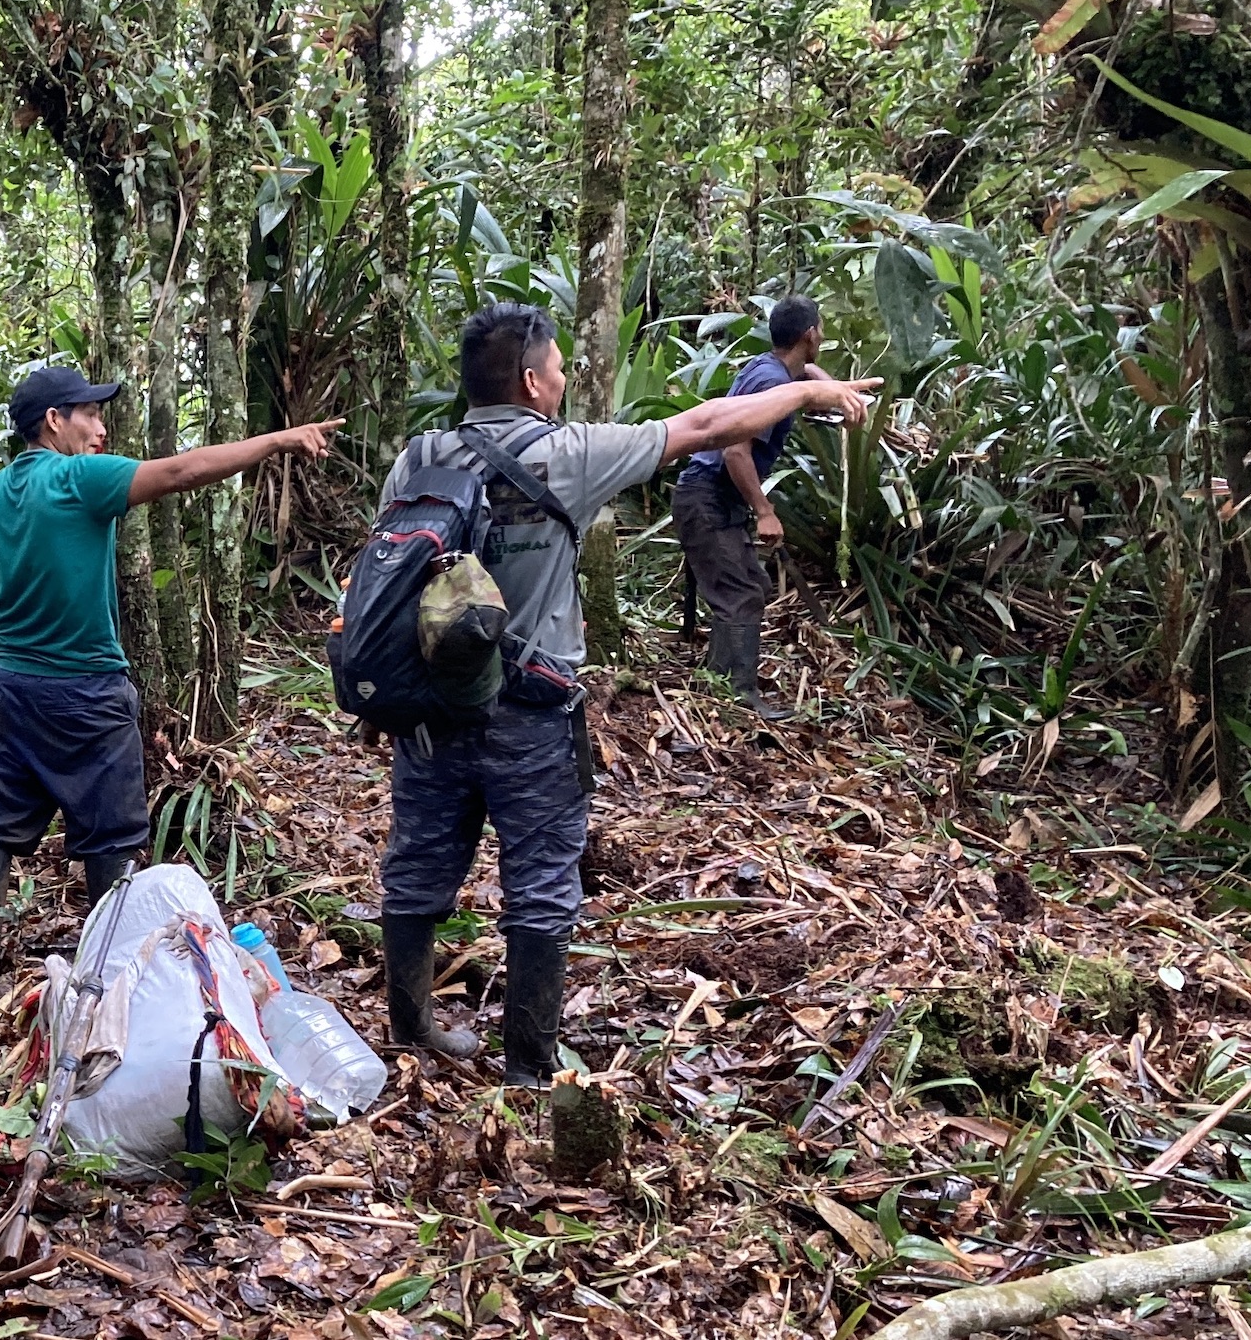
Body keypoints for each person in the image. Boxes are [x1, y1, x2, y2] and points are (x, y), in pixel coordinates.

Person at [374, 302, 877, 1085]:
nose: (567, 379)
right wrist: (809, 395)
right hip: (530, 713)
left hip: (428, 709)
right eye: (561, 367)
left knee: (416, 867)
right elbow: (709, 425)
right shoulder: (567, 454)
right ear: (534, 381)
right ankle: (529, 1072)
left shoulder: (417, 460)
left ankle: (411, 1035)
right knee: (540, 884)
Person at [0, 366, 341, 980]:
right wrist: (276, 440)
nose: (101, 428)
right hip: (87, 690)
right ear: (54, 421)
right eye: (90, 414)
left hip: (13, 687)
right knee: (111, 832)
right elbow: (184, 470)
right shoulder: (80, 479)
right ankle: (109, 970)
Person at [675, 294, 834, 720]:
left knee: (749, 589)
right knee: (741, 593)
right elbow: (736, 452)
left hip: (708, 497)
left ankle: (720, 685)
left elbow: (808, 379)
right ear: (810, 335)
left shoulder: (770, 367)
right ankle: (734, 696)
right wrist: (765, 510)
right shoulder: (773, 383)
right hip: (707, 495)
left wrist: (835, 391)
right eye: (820, 329)